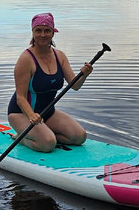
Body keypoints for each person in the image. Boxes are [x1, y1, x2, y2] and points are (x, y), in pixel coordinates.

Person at [7, 13, 93, 153]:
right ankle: (21, 138)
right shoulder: (26, 59)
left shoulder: (60, 56)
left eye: (47, 30)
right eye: (38, 30)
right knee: (47, 144)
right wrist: (31, 115)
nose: (42, 35)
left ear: (53, 33)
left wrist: (84, 74)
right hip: (21, 113)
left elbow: (75, 85)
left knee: (79, 137)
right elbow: (20, 97)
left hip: (47, 112)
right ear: (33, 32)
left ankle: (44, 134)